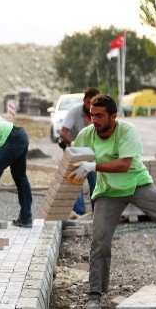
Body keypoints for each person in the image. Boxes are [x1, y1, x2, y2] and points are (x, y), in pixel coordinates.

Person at [69, 95, 156, 309]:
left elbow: (124, 165)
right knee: (100, 240)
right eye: (92, 115)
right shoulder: (86, 135)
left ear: (113, 117)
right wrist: (67, 186)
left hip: (137, 184)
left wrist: (92, 166)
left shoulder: (127, 131)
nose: (94, 120)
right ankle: (95, 294)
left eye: (100, 116)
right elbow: (72, 162)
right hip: (109, 192)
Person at [59, 87, 100, 216]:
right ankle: (80, 214)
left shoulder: (99, 114)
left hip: (91, 154)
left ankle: (96, 212)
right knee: (76, 182)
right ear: (84, 100)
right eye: (89, 103)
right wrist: (73, 144)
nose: (90, 107)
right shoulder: (74, 112)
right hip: (76, 152)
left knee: (95, 182)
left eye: (94, 104)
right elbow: (63, 133)